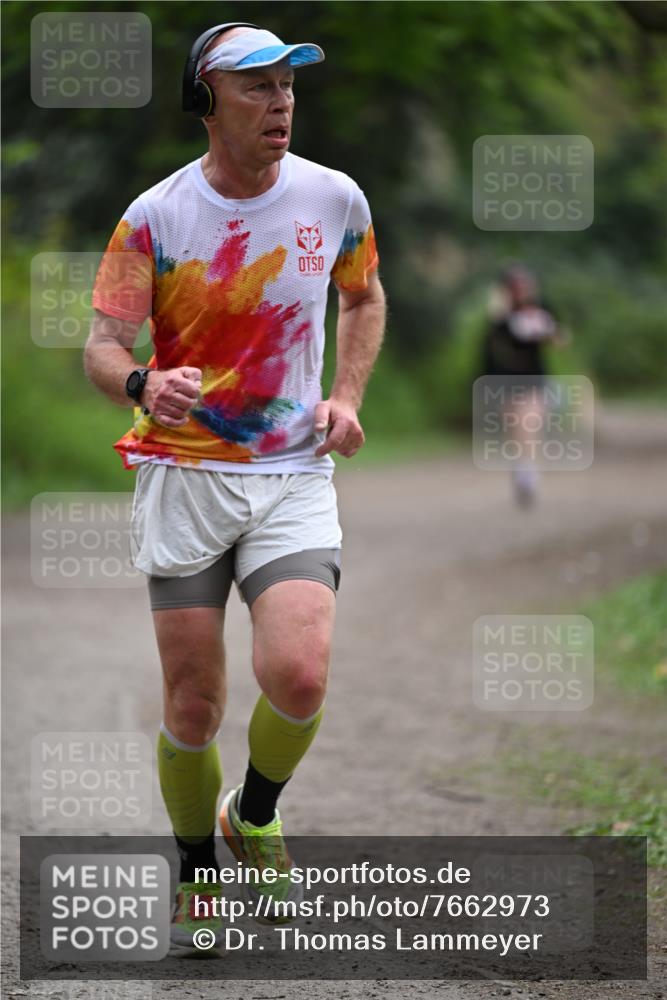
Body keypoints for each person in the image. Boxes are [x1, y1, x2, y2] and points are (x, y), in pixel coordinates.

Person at [84, 22, 386, 952]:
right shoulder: (155, 216)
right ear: (206, 101)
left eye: (288, 83)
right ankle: (196, 872)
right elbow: (101, 346)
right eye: (256, 85)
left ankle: (251, 813)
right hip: (183, 477)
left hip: (293, 471)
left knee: (297, 675)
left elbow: (362, 296)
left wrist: (344, 395)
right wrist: (142, 383)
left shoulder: (333, 197)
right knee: (193, 705)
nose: (281, 100)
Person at [481, 264, 564, 507]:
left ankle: (527, 471)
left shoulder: (541, 310)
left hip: (534, 378)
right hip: (506, 379)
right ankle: (524, 467)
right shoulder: (501, 315)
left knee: (530, 423)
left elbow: (559, 338)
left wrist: (547, 331)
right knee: (517, 429)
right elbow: (492, 341)